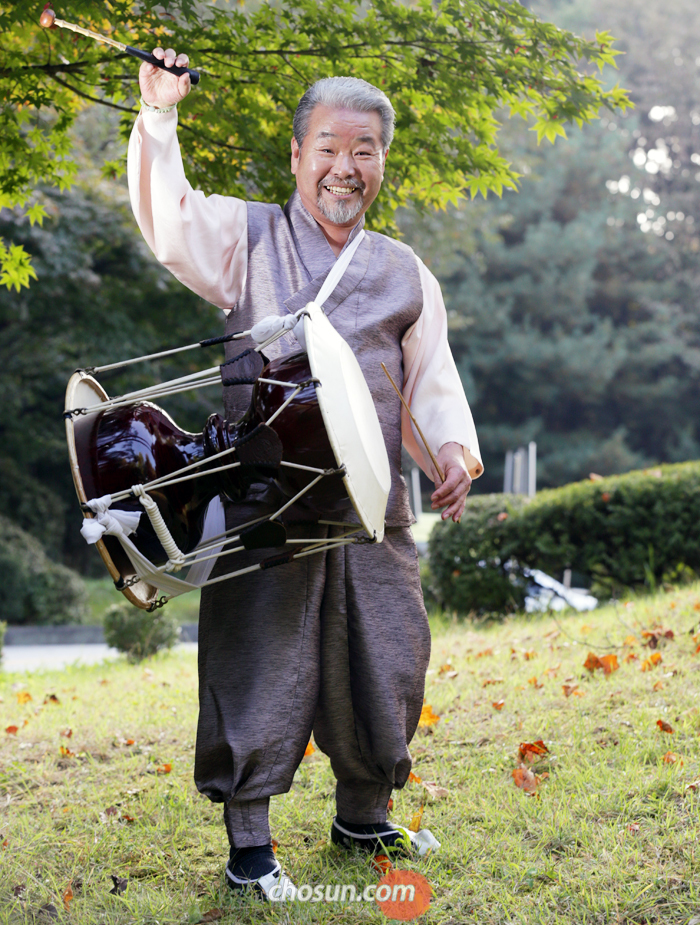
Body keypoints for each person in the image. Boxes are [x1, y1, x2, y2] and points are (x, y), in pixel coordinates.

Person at [127, 47, 483, 900]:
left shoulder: (404, 269)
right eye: (327, 146)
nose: (343, 167)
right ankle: (249, 845)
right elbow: (168, 219)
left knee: (387, 658)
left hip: (373, 509)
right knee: (260, 664)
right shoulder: (245, 236)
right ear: (297, 155)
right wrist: (159, 114)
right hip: (266, 502)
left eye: (363, 150)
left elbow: (431, 377)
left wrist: (453, 453)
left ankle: (363, 814)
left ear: (382, 162)